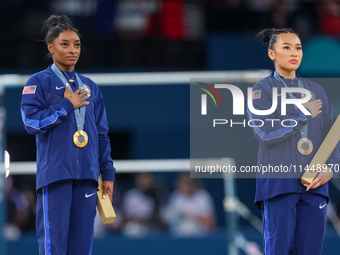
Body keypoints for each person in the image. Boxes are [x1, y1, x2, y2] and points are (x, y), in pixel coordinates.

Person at [20, 14, 116, 255]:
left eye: (77, 44)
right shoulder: (38, 82)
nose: (72, 50)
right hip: (55, 176)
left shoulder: (90, 87)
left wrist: (108, 173)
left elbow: (102, 135)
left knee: (82, 248)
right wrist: (65, 105)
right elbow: (31, 123)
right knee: (54, 247)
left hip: (87, 176)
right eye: (65, 44)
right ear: (50, 47)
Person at [248, 28, 340, 255]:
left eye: (298, 48)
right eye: (286, 47)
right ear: (272, 54)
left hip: (314, 187)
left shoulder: (316, 91)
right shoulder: (262, 91)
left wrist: (332, 169)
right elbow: (265, 134)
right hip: (279, 185)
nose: (294, 53)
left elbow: (334, 136)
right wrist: (302, 115)